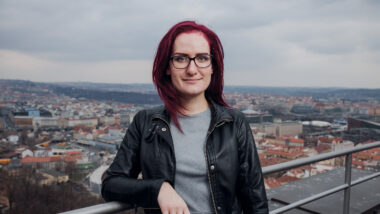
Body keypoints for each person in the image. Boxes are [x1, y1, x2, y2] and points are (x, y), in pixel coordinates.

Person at [102, 20, 268, 214]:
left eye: (202, 58)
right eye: (181, 59)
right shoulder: (145, 122)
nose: (192, 69)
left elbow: (255, 201)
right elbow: (111, 184)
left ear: (213, 66)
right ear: (167, 67)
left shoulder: (234, 123)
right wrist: (158, 189)